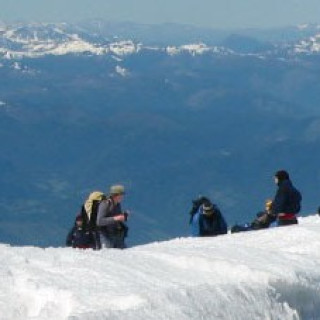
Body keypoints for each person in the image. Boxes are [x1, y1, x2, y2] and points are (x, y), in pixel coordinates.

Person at [96, 184, 129, 249]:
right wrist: (115, 218)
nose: (122, 197)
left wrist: (123, 216)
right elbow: (99, 221)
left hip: (116, 235)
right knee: (109, 255)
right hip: (105, 235)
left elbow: (117, 218)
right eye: (121, 194)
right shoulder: (105, 204)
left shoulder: (117, 204)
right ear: (116, 195)